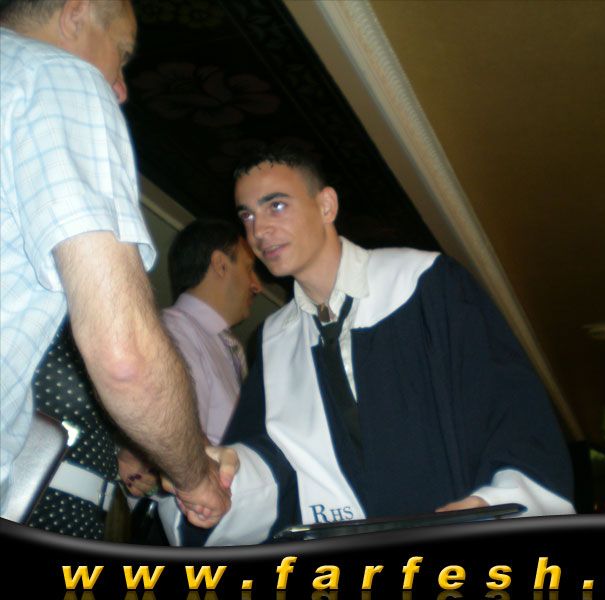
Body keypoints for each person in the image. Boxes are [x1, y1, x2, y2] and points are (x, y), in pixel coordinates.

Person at [166, 143, 575, 546]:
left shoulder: (424, 283)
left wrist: (489, 505)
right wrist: (225, 471)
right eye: (248, 215)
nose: (259, 231)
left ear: (326, 206)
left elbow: (511, 415)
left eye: (276, 205)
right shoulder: (275, 338)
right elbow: (280, 463)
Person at [0, 0, 234, 530]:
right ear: (76, 14)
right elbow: (124, 355)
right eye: (122, 54)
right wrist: (195, 477)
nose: (122, 88)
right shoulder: (58, 77)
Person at [119, 219, 261, 497]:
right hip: (195, 506)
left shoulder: (230, 347)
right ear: (220, 264)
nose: (257, 285)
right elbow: (176, 435)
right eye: (249, 268)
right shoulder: (173, 331)